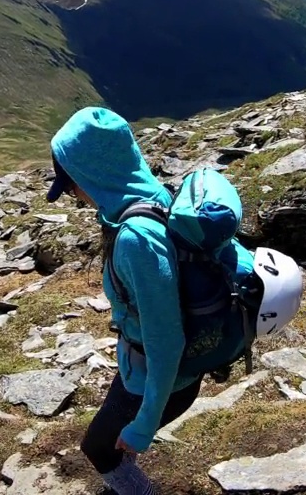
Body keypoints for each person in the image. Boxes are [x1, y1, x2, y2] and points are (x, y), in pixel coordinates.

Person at [45, 106, 202, 494]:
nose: (71, 194)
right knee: (112, 441)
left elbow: (165, 341)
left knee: (97, 447)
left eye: (70, 183)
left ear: (91, 175)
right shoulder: (151, 195)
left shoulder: (136, 240)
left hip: (162, 373)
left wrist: (145, 425)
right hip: (145, 365)